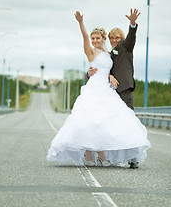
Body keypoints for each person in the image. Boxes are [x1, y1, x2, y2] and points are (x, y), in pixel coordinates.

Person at [46, 11, 150, 168]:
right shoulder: (91, 51)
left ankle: (102, 154)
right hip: (94, 88)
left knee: (104, 122)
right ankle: (89, 153)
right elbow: (85, 38)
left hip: (107, 89)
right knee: (90, 120)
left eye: (97, 38)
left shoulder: (108, 53)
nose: (94, 40)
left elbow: (108, 68)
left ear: (103, 39)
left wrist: (109, 76)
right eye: (93, 38)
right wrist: (81, 23)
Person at [88, 8, 140, 110]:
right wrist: (89, 73)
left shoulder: (126, 47)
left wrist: (132, 23)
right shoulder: (109, 54)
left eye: (117, 38)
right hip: (111, 92)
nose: (114, 40)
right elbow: (102, 68)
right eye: (111, 38)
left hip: (124, 89)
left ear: (122, 39)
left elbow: (131, 36)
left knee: (127, 119)